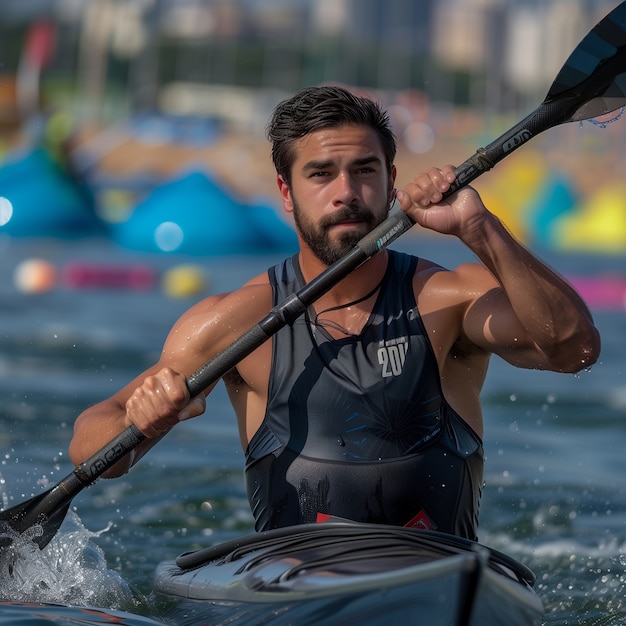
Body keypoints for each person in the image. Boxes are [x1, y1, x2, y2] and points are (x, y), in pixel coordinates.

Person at [69, 85, 600, 541]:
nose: (347, 192)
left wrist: (478, 228)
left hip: (437, 579)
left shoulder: (447, 300)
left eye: (364, 170)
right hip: (294, 588)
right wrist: (141, 417)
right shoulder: (233, 322)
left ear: (392, 180)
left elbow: (574, 350)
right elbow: (94, 450)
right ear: (286, 191)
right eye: (321, 174)